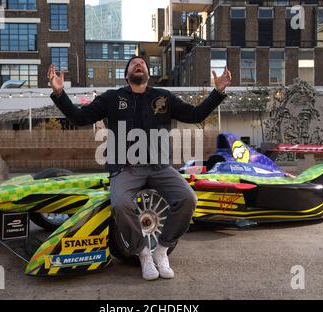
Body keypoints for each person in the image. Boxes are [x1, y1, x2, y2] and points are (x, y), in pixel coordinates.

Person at [47, 56, 231, 280]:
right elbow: (79, 117)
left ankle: (162, 250)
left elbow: (195, 115)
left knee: (188, 199)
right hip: (125, 169)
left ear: (148, 73)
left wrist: (218, 92)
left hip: (159, 167)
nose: (138, 64)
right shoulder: (112, 98)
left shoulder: (163, 97)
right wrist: (59, 93)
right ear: (127, 75)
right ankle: (143, 253)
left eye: (142, 63)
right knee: (121, 204)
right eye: (133, 63)